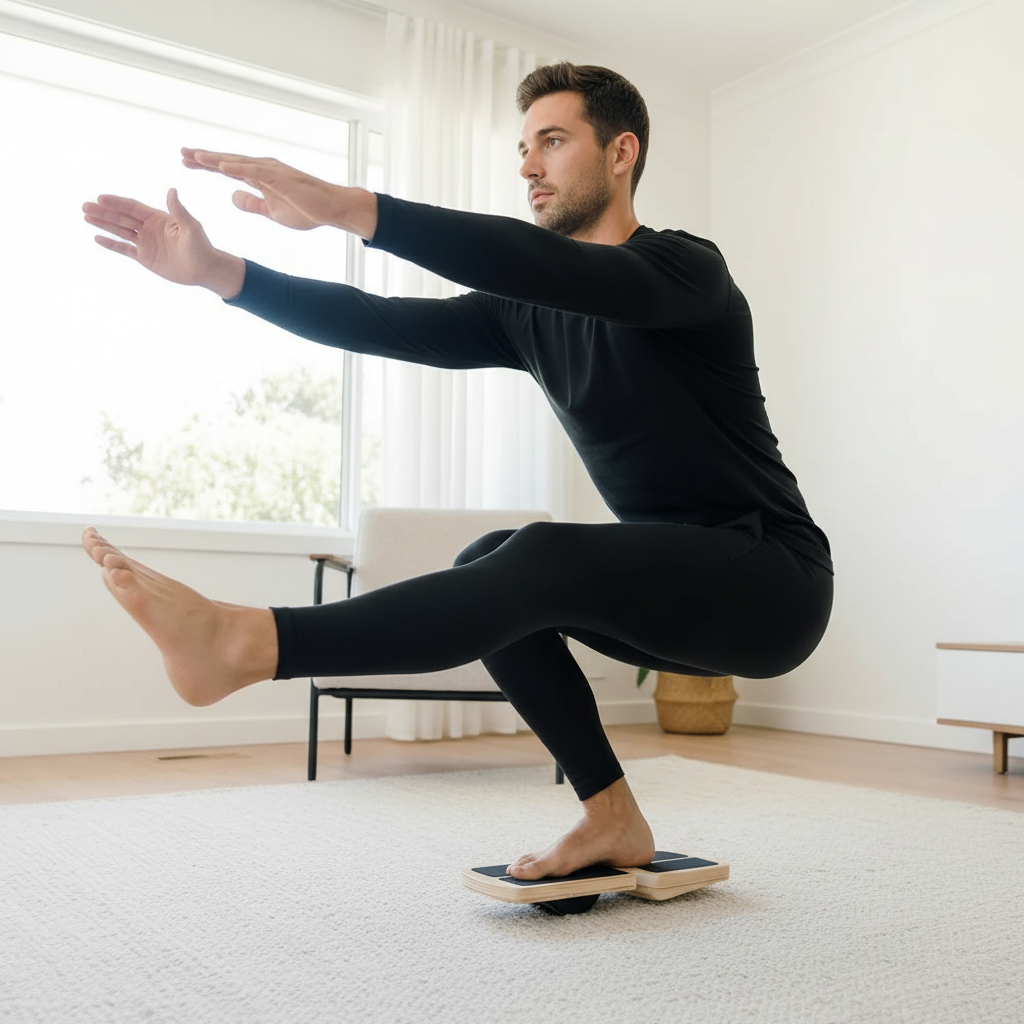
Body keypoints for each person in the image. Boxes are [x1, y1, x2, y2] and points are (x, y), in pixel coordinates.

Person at [81, 63, 833, 882]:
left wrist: (348, 207)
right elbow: (379, 322)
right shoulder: (527, 316)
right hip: (677, 596)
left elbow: (535, 265)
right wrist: (220, 274)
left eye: (553, 141)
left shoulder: (686, 273)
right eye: (523, 148)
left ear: (622, 154)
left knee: (539, 554)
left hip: (774, 584)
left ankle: (248, 641)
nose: (529, 166)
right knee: (491, 560)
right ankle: (611, 816)